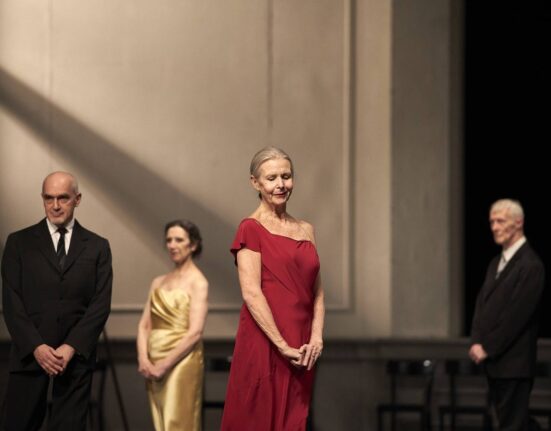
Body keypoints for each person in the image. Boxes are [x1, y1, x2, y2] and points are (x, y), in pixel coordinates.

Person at [221, 147, 325, 431]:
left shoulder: (307, 230)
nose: (281, 184)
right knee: (257, 420)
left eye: (286, 176)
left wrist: (316, 338)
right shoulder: (250, 228)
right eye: (271, 178)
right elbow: (251, 293)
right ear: (255, 183)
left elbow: (317, 292)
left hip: (302, 345)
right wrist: (281, 345)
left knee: (294, 420)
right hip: (266, 341)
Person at [1, 171, 113, 431]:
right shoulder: (18, 243)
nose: (55, 205)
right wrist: (37, 347)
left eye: (63, 198)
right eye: (48, 198)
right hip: (29, 355)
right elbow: (11, 301)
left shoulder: (98, 246)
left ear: (77, 199)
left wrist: (71, 347)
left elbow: (100, 304)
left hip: (74, 359)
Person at [469, 199, 545, 431]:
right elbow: (482, 304)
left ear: (518, 222)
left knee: (513, 425)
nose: (494, 227)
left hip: (514, 363)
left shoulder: (530, 265)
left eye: (500, 221)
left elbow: (516, 316)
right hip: (496, 363)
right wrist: (476, 340)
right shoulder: (495, 263)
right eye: (492, 222)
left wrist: (488, 347)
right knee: (513, 424)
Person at [137, 220, 208, 431]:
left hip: (181, 361)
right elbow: (144, 326)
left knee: (177, 422)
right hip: (153, 360)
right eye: (169, 240)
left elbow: (195, 332)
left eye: (179, 240)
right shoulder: (158, 282)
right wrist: (143, 359)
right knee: (160, 422)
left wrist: (164, 365)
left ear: (193, 245)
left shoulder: (199, 282)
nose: (172, 245)